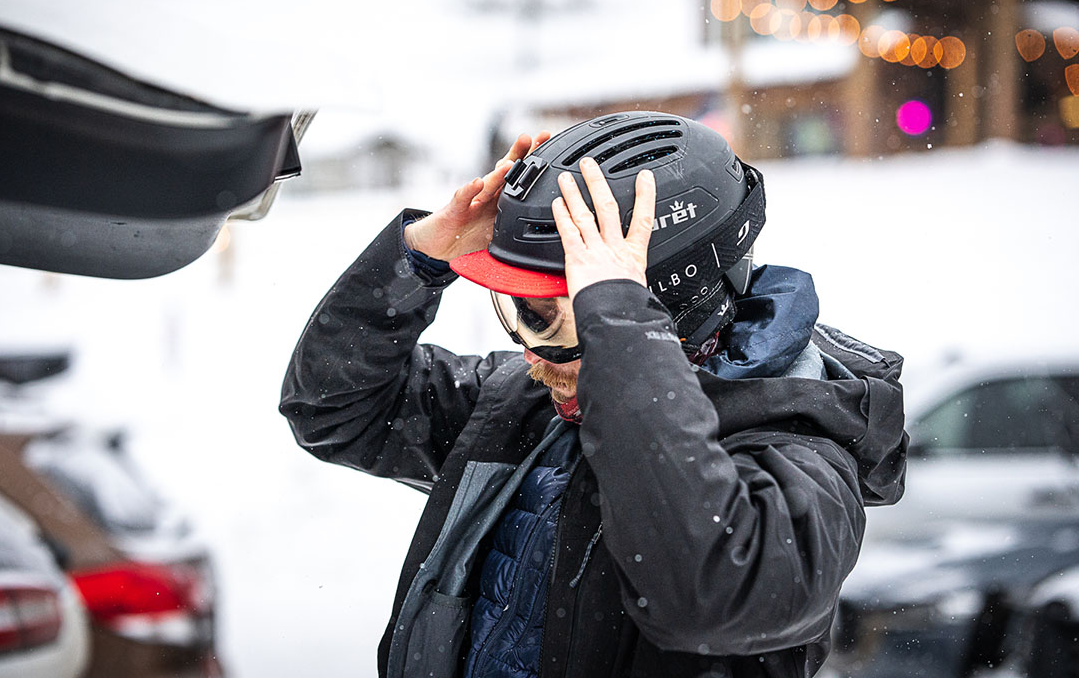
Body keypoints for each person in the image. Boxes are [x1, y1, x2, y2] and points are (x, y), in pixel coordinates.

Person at [280, 111, 907, 678]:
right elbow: (334, 409)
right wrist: (420, 259)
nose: (531, 353)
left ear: (658, 316)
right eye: (520, 313)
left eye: (562, 317)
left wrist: (617, 326)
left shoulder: (804, 458)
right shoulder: (522, 407)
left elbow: (708, 592)